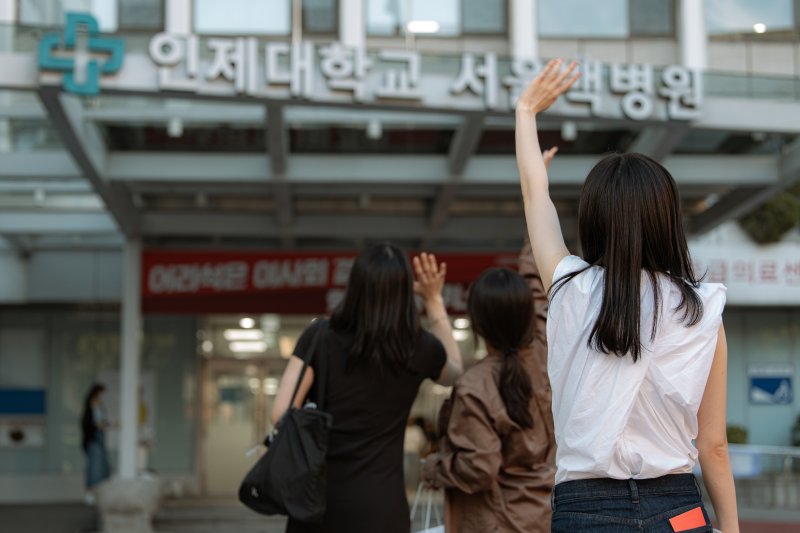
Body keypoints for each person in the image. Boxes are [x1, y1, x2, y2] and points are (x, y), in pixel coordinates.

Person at [515, 59, 739, 532]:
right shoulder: (702, 311)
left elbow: (537, 198)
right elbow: (713, 446)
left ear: (593, 218)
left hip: (584, 509)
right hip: (678, 508)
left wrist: (525, 111)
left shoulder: (570, 287)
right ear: (666, 219)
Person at [272, 243, 463, 533]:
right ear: (402, 292)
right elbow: (454, 373)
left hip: (318, 506)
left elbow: (281, 415)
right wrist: (434, 300)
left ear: (355, 286)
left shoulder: (320, 337)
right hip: (382, 510)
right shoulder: (418, 348)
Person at [422, 238, 556, 532]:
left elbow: (478, 468)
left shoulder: (475, 385)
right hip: (546, 517)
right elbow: (537, 290)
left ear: (478, 325)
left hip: (497, 523)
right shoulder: (547, 353)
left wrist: (434, 468)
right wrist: (536, 219)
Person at [81, 383, 111, 504]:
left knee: (103, 465)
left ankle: (99, 493)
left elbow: (101, 421)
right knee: (94, 466)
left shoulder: (100, 405)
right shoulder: (91, 406)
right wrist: (100, 425)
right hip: (93, 439)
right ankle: (90, 493)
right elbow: (92, 423)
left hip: (100, 437)